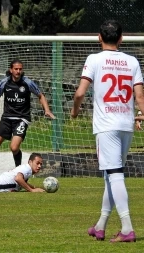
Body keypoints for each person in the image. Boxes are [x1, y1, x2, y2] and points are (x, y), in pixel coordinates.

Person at [71, 20, 144, 243]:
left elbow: (80, 93)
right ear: (121, 38)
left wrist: (74, 111)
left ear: (98, 37)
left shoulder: (94, 59)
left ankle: (127, 228)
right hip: (125, 124)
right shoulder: (132, 61)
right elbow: (139, 97)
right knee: (110, 176)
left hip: (106, 125)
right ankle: (100, 226)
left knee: (115, 175)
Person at [0, 59, 55, 176]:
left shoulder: (27, 83)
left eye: (20, 69)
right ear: (11, 70)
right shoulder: (4, 83)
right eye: (16, 69)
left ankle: (18, 172)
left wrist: (47, 110)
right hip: (7, 118)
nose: (18, 71)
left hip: (22, 118)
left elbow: (41, 95)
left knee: (14, 147)